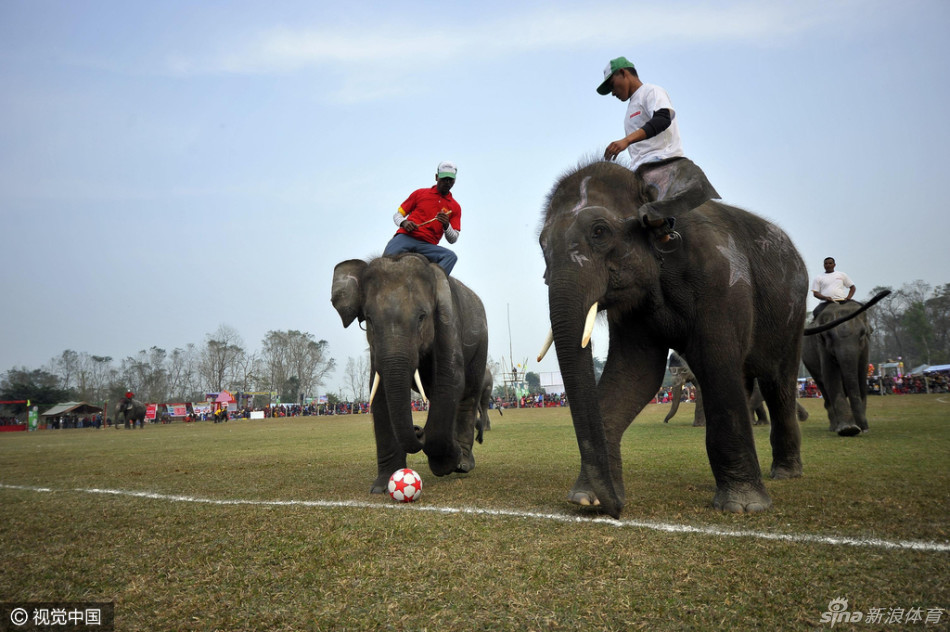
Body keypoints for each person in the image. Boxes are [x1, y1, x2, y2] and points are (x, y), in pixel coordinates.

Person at [598, 56, 719, 233]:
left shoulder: (651, 91)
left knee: (649, 215)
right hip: (640, 172)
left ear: (623, 73)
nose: (612, 92)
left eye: (611, 85)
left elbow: (663, 118)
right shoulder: (630, 108)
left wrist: (626, 140)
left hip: (661, 163)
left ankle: (664, 231)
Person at [382, 161, 462, 275]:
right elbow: (397, 215)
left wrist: (446, 225)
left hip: (428, 246)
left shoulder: (455, 207)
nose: (447, 182)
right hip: (405, 238)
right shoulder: (420, 194)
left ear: (454, 180)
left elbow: (453, 239)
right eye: (444, 179)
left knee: (450, 257)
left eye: (450, 179)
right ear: (436, 177)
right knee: (384, 263)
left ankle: (432, 283)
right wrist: (404, 223)